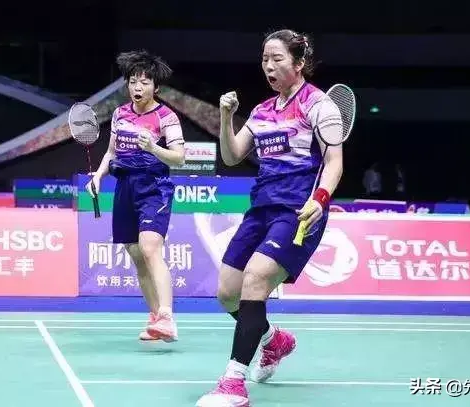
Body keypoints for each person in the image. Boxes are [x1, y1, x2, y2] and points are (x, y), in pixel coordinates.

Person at [196, 29, 344, 406]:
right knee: (227, 293)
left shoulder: (319, 105)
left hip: (298, 211)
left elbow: (334, 162)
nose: (269, 66)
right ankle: (272, 340)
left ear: (299, 63)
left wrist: (321, 199)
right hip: (261, 207)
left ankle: (233, 384)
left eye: (277, 59)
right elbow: (232, 156)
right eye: (265, 59)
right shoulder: (262, 111)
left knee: (256, 278)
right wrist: (226, 117)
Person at [87, 50, 185, 342]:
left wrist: (153, 147)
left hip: (153, 186)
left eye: (144, 82)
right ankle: (155, 318)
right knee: (137, 255)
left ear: (156, 87)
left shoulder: (166, 117)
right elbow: (112, 152)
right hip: (125, 186)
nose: (137, 87)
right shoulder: (120, 114)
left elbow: (179, 157)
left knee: (150, 247)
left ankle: (167, 316)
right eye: (132, 82)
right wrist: (98, 176)